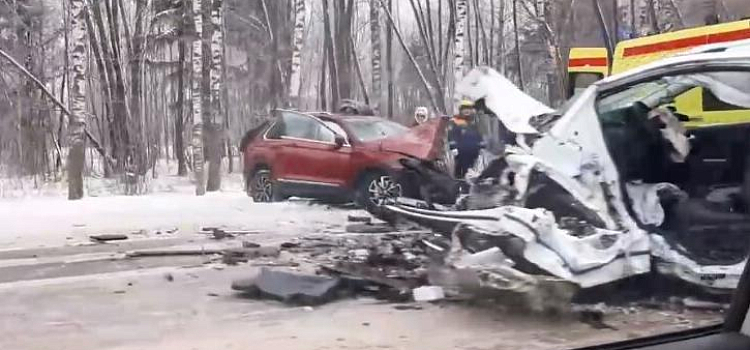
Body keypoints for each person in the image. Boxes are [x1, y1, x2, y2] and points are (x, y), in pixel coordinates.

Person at [448, 100, 484, 179]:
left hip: (474, 152)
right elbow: (451, 135)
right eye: (464, 108)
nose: (467, 110)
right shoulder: (455, 120)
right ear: (461, 110)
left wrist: (482, 145)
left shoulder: (474, 121)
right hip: (461, 152)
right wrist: (453, 147)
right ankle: (459, 185)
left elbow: (479, 134)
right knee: (460, 171)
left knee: (473, 171)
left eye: (469, 108)